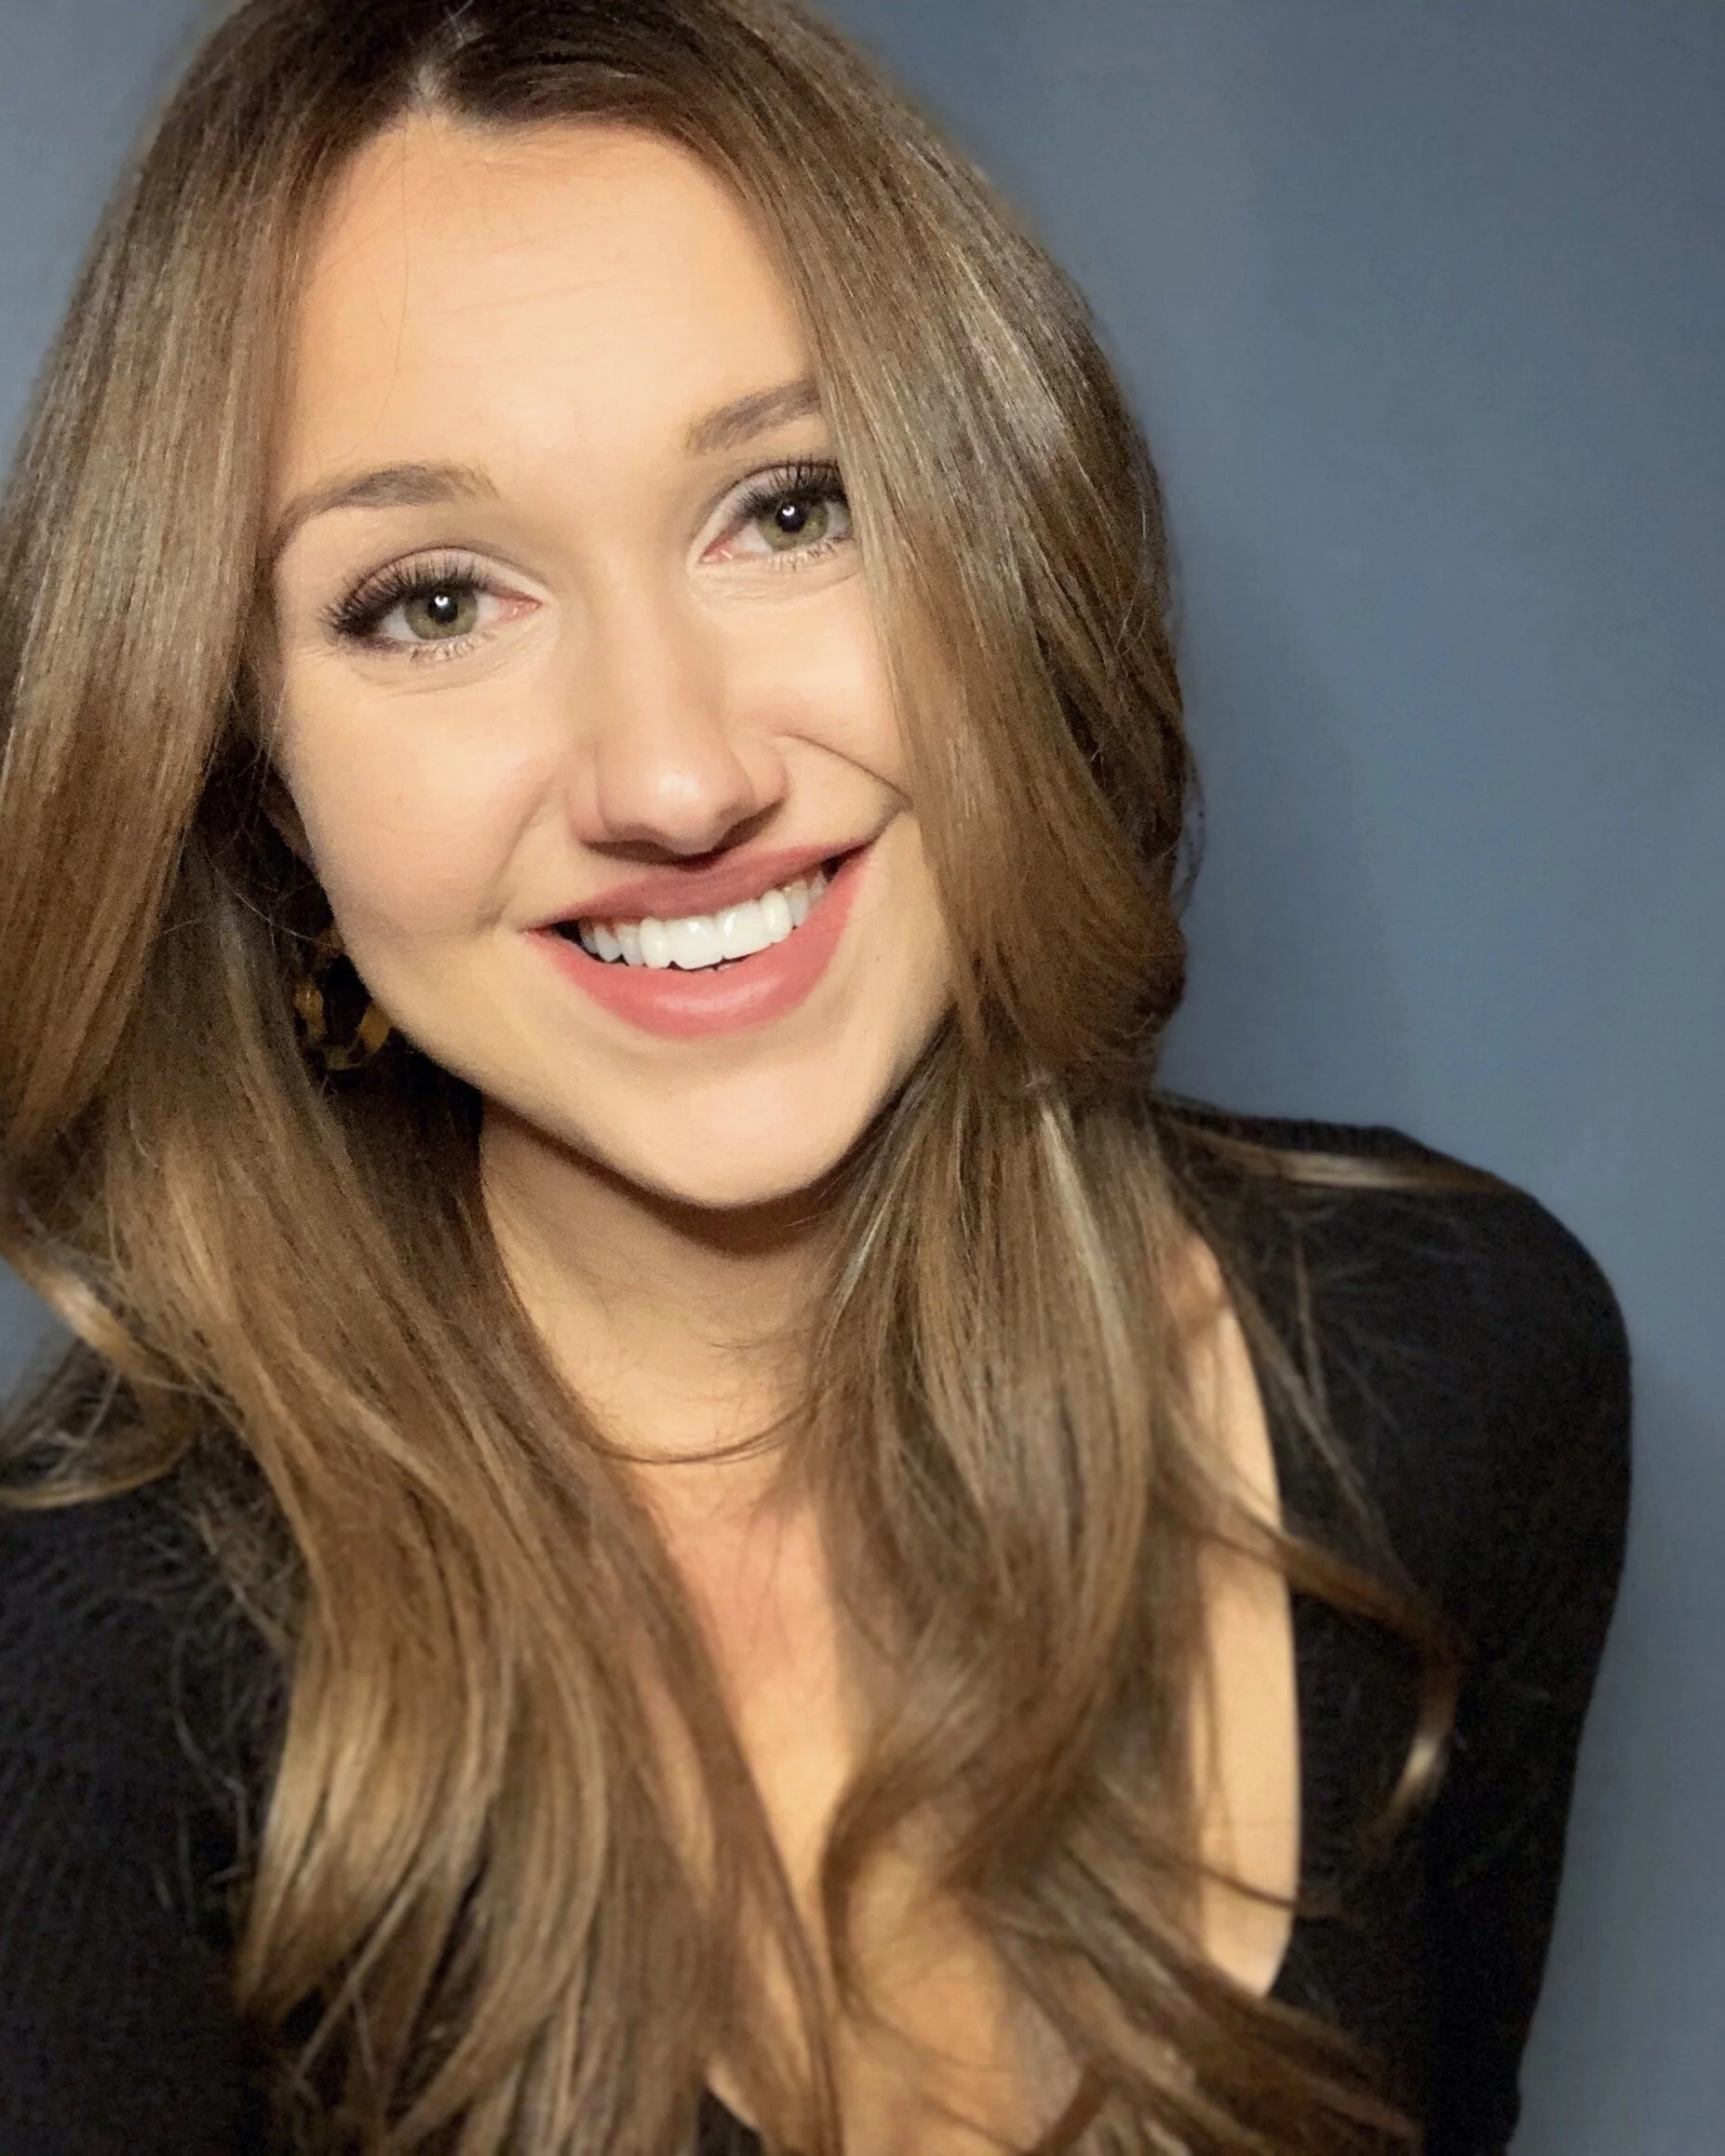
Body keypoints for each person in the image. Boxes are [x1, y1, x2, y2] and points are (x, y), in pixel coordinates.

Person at [0, 2, 1630, 2152]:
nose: (676, 775)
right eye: (429, 602)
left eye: (787, 506)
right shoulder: (84, 1704)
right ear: (247, 780)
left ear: (994, 549)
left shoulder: (1451, 1372)